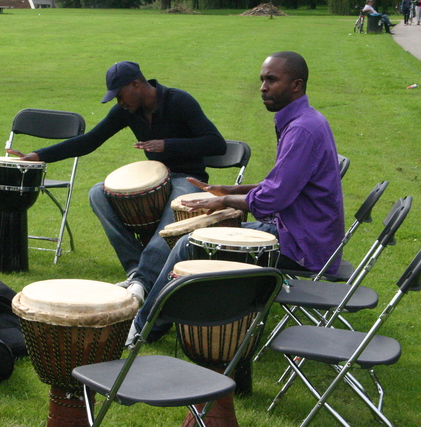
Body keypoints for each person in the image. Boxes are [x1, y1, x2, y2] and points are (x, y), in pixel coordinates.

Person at [127, 51, 345, 344]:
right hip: (302, 234)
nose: (263, 87)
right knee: (196, 238)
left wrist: (223, 202)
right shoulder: (305, 120)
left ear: (297, 85)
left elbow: (272, 200)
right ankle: (160, 318)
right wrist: (228, 190)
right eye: (262, 80)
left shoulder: (303, 129)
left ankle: (142, 329)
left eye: (271, 80)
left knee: (189, 244)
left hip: (302, 244)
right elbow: (279, 185)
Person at [7, 61, 226, 304]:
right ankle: (136, 270)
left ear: (136, 84)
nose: (119, 102)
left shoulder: (179, 101)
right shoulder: (126, 112)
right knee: (97, 194)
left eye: (120, 95)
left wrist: (168, 144)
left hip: (188, 179)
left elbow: (216, 143)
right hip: (156, 178)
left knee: (169, 218)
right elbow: (90, 141)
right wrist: (39, 156)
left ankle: (143, 283)